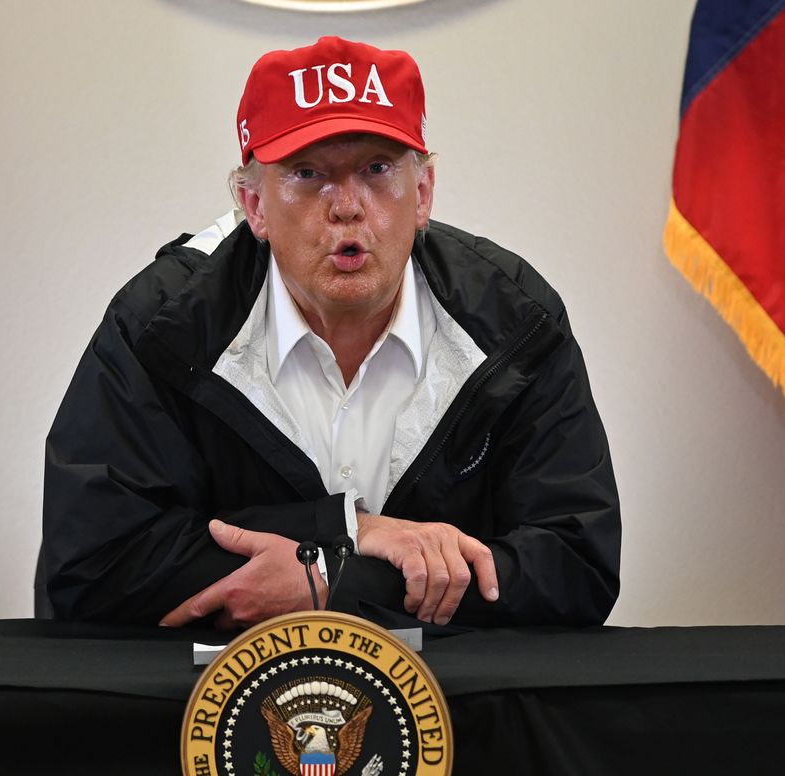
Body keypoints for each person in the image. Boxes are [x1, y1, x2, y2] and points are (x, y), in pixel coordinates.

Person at [35, 37, 620, 629]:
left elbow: (577, 563)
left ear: (422, 193)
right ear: (254, 206)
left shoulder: (512, 321)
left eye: (377, 169)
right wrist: (347, 531)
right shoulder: (165, 324)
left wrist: (338, 582)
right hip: (211, 688)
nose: (346, 206)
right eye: (308, 173)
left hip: (449, 688)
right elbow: (92, 565)